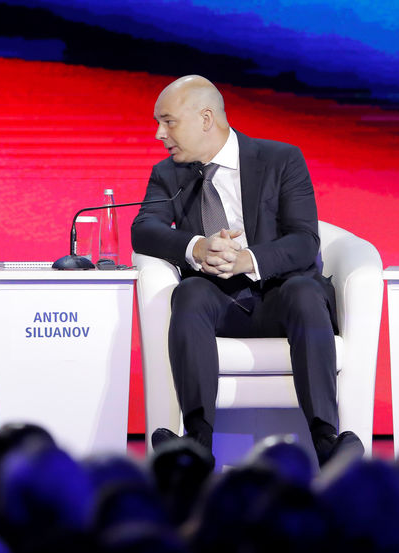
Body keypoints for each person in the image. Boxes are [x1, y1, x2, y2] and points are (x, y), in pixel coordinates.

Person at [131, 74, 362, 467]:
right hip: (216, 302)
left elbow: (305, 240)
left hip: (279, 295)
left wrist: (246, 259)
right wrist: (196, 247)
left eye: (168, 121)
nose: (158, 134)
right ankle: (196, 447)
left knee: (306, 293)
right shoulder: (168, 173)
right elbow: (144, 228)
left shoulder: (280, 159)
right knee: (188, 294)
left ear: (206, 119)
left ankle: (327, 441)